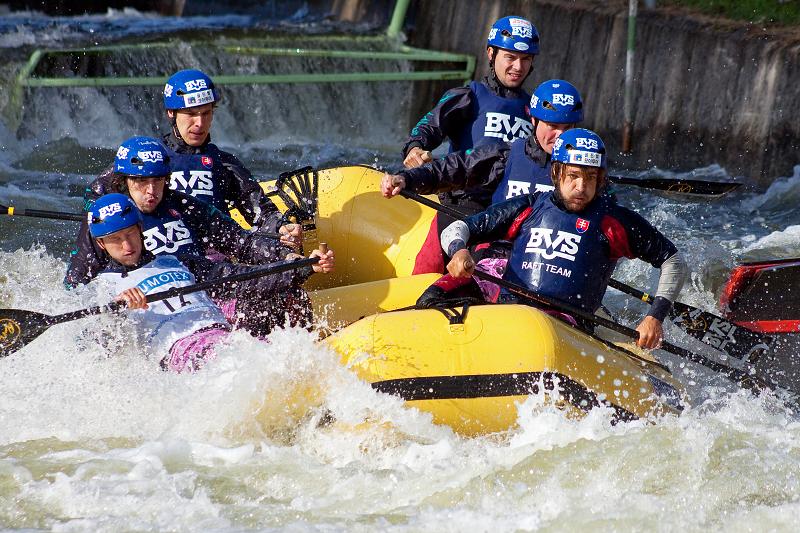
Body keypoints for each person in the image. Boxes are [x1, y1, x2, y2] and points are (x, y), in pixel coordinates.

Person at [431, 129, 687, 349]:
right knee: (434, 296)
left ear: (601, 180)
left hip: (566, 326)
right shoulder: (528, 207)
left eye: (590, 178)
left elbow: (673, 261)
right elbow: (459, 228)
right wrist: (458, 251)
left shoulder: (615, 221)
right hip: (507, 312)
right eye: (573, 175)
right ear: (556, 173)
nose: (581, 187)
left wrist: (655, 316)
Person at [71, 68, 302, 277]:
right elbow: (96, 196)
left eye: (206, 113)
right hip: (155, 258)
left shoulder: (224, 163)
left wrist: (281, 227)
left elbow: (259, 209)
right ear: (171, 113)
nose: (199, 123)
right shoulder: (146, 159)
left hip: (211, 258)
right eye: (191, 114)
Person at [87, 193, 334, 372]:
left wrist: (303, 268)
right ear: (101, 244)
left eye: (130, 234)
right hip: (179, 350)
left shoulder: (177, 261)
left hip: (222, 334)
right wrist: (115, 312)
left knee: (273, 356)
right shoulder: (103, 287)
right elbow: (98, 347)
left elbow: (242, 279)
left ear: (140, 229)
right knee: (235, 361)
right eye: (116, 239)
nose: (127, 245)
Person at [382, 79, 584, 274]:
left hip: (545, 265)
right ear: (534, 120)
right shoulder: (505, 155)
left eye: (567, 128)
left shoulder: (585, 175)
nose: (560, 135)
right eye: (552, 126)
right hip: (492, 254)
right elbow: (455, 167)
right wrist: (407, 178)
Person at [66, 136, 301, 288]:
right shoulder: (107, 223)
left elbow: (242, 243)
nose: (151, 191)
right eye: (141, 182)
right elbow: (75, 284)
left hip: (203, 291)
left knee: (279, 295)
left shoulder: (184, 205)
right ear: (124, 180)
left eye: (158, 181)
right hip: (150, 312)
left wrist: (284, 257)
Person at [401, 16, 540, 169]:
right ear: (491, 53)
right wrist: (414, 147)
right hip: (464, 191)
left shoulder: (537, 111)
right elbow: (429, 127)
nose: (518, 67)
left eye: (526, 59)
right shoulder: (468, 96)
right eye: (510, 57)